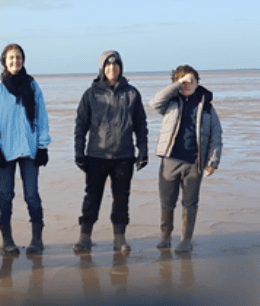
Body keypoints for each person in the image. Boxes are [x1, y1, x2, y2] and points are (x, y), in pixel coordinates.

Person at [73, 50, 148, 254]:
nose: (112, 68)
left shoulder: (132, 93)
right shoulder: (91, 94)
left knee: (121, 198)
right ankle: (84, 237)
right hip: (96, 156)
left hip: (123, 156)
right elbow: (81, 125)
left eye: (115, 65)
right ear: (102, 68)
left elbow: (141, 125)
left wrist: (143, 151)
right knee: (91, 197)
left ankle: (119, 238)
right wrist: (79, 152)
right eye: (107, 65)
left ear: (121, 68)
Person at [0, 43, 51, 256]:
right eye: (11, 58)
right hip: (5, 150)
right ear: (4, 60)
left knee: (32, 195)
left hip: (30, 150)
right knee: (6, 195)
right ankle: (7, 239)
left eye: (19, 57)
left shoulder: (32, 86)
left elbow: (42, 116)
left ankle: (37, 238)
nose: (16, 61)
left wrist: (43, 146)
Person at [149, 65, 223, 253]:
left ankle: (186, 239)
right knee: (167, 202)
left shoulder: (206, 106)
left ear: (198, 83)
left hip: (194, 162)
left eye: (191, 81)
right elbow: (154, 103)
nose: (187, 84)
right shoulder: (170, 102)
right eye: (183, 81)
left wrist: (212, 162)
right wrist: (176, 86)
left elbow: (216, 135)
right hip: (170, 160)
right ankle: (165, 236)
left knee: (190, 203)